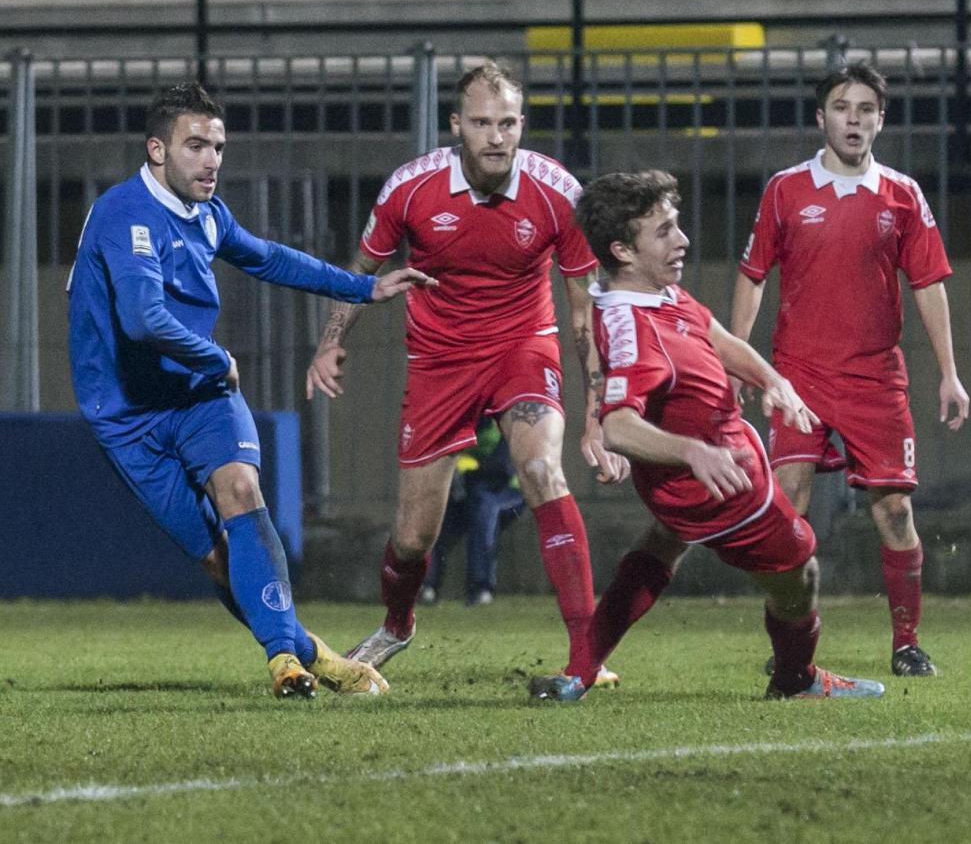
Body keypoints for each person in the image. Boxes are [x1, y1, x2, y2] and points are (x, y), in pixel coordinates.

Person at [67, 82, 435, 699]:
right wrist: (218, 356)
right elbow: (141, 319)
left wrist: (362, 288)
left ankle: (283, 662)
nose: (211, 160)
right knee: (217, 558)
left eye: (218, 147)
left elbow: (267, 257)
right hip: (126, 413)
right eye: (195, 146)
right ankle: (312, 653)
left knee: (240, 488)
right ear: (156, 150)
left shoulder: (208, 214)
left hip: (198, 392)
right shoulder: (125, 213)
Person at [306, 61, 628, 681]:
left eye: (508, 123)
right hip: (439, 359)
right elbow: (361, 273)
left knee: (542, 470)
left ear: (522, 124)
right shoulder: (411, 188)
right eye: (482, 123)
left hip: (523, 348)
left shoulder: (559, 193)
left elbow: (584, 312)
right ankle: (397, 624)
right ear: (456, 125)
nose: (496, 137)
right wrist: (330, 344)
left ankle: (587, 653)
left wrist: (598, 412)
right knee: (413, 539)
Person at [529, 169, 885, 703]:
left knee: (662, 543)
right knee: (800, 572)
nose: (683, 240)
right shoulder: (634, 330)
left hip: (700, 472)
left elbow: (716, 338)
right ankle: (797, 679)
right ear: (623, 251)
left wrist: (773, 380)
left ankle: (578, 674)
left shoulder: (658, 294)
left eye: (676, 225)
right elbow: (617, 426)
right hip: (721, 488)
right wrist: (694, 452)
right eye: (664, 232)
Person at [729, 62, 970, 678]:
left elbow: (928, 283)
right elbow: (753, 276)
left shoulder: (902, 194)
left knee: (895, 512)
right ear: (822, 118)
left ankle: (907, 642)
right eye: (842, 107)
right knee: (787, 505)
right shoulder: (785, 189)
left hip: (875, 379)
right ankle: (791, 645)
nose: (853, 119)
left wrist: (949, 372)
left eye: (866, 109)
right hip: (799, 376)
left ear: (880, 121)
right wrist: (738, 361)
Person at [419, 417, 524, 607]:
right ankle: (426, 587)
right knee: (434, 518)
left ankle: (481, 588)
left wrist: (464, 474)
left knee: (485, 512)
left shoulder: (498, 423)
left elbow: (502, 468)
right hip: (467, 492)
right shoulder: (451, 424)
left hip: (507, 491)